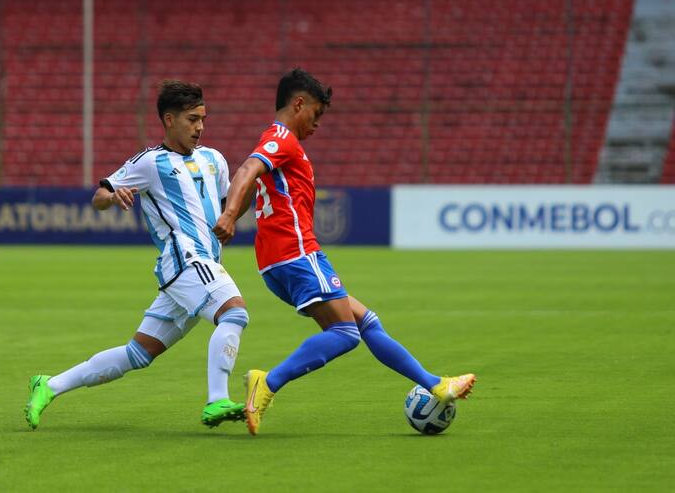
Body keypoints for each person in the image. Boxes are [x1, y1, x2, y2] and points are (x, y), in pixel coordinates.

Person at [212, 68, 476, 435]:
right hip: (297, 253)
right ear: (298, 103)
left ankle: (435, 383)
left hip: (281, 259)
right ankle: (267, 382)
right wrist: (227, 214)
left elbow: (255, 181)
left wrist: (232, 217)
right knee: (346, 333)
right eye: (316, 114)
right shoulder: (282, 138)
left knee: (367, 322)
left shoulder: (282, 145)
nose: (317, 124)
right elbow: (247, 169)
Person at [25, 81, 250, 430]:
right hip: (185, 262)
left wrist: (232, 218)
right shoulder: (149, 162)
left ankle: (49, 385)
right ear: (169, 120)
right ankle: (216, 399)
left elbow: (223, 210)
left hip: (205, 264)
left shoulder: (214, 159)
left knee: (139, 353)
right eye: (192, 120)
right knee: (234, 314)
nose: (200, 127)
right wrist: (112, 198)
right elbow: (99, 196)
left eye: (203, 119)